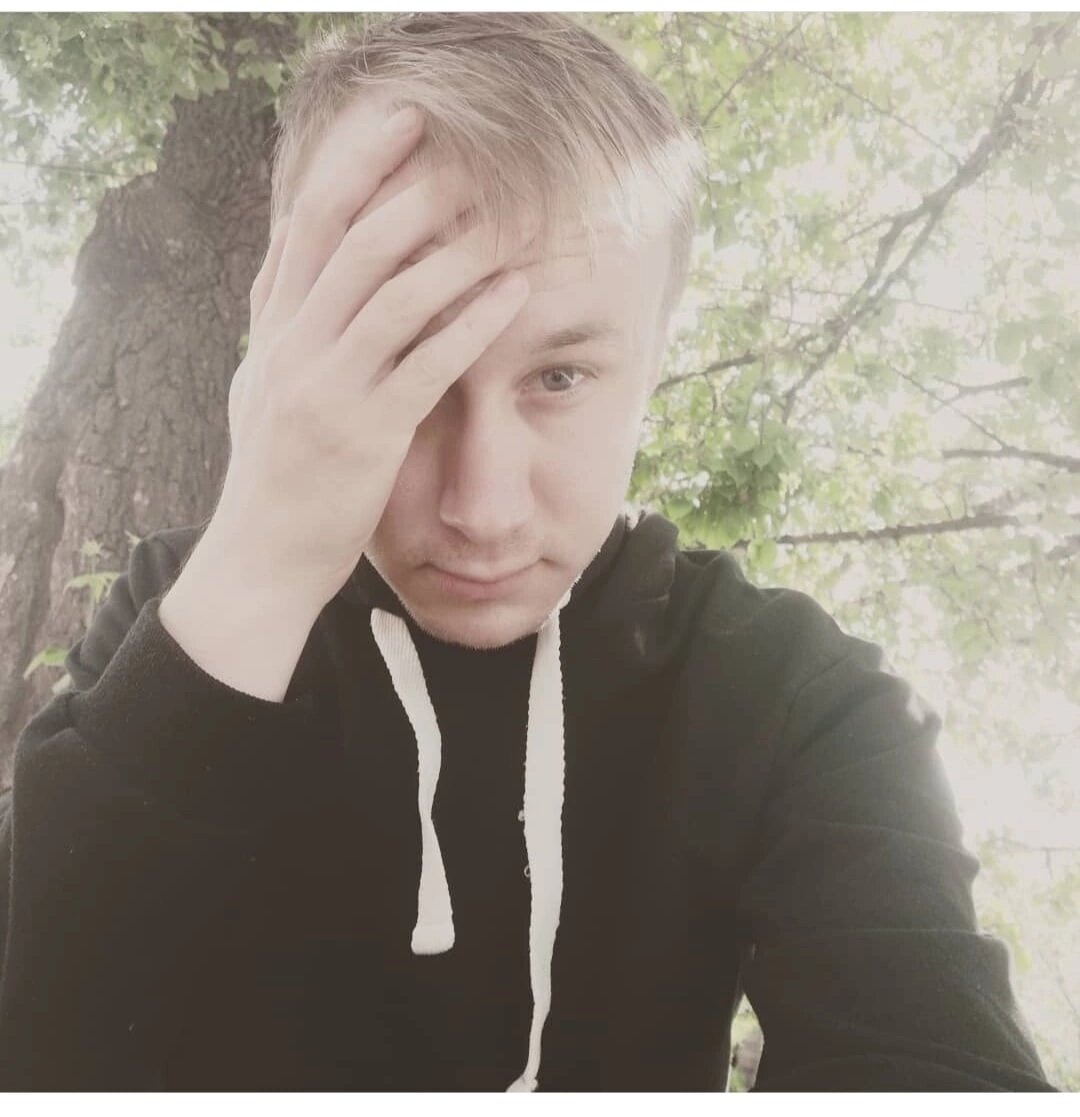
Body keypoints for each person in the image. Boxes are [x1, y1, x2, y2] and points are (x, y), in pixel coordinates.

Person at [0, 13, 1056, 1092]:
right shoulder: (187, 616)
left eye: (559, 378)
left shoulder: (790, 691)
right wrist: (260, 567)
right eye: (406, 368)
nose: (483, 508)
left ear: (652, 362)